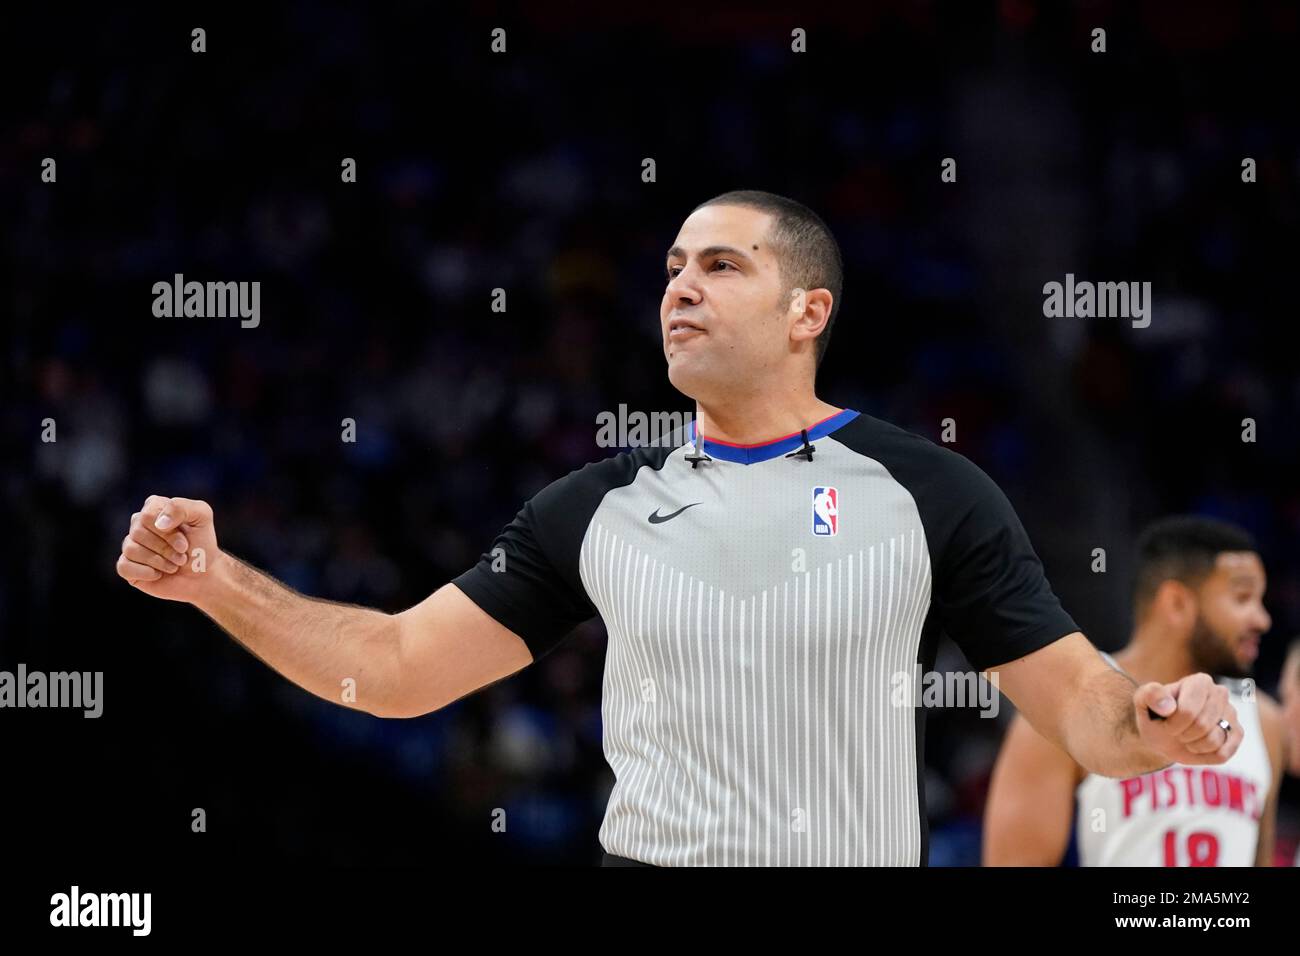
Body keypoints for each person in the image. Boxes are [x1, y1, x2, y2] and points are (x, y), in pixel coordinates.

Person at [115, 190, 1243, 867]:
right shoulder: (593, 503)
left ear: (809, 313)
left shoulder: (929, 491)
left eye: (719, 264)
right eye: (669, 270)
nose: (678, 288)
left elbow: (1085, 713)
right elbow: (395, 668)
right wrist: (218, 580)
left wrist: (1158, 722)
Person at [983, 516, 1285, 866]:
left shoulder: (1264, 720)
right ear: (1177, 603)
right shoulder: (1066, 706)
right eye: (1243, 597)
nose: (1262, 619)